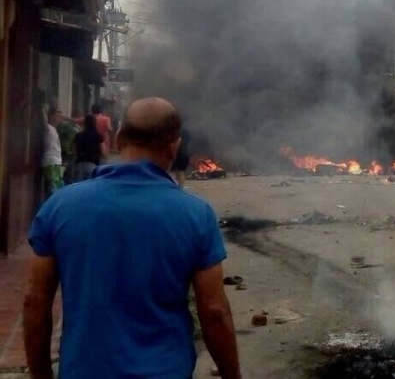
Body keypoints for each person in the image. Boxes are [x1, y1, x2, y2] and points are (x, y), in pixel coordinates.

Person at [24, 97, 242, 379]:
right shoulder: (196, 214)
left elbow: (34, 301)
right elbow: (213, 311)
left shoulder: (61, 206)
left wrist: (40, 375)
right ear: (174, 146)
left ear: (117, 138)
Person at [72, 114, 104, 182]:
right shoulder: (98, 136)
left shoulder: (78, 136)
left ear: (85, 123)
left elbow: (74, 151)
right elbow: (104, 151)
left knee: (79, 186)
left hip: (80, 164)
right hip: (93, 164)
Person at [41, 108, 64, 197]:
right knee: (55, 189)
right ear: (51, 116)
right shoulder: (48, 128)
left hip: (56, 162)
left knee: (58, 186)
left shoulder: (54, 129)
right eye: (57, 116)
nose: (59, 118)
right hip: (51, 161)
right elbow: (43, 120)